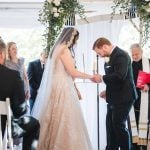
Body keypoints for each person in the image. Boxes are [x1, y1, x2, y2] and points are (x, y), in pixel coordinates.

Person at [32, 27, 94, 150]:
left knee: (51, 115)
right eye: (75, 39)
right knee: (65, 116)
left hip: (54, 85)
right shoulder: (64, 50)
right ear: (71, 37)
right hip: (62, 85)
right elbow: (72, 72)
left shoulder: (55, 49)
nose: (75, 42)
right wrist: (91, 76)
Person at [92, 37, 137, 150]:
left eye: (99, 52)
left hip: (124, 97)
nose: (100, 55)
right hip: (114, 97)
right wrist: (107, 92)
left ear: (105, 47)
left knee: (118, 126)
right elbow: (113, 78)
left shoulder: (121, 55)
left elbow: (119, 76)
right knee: (110, 127)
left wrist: (101, 78)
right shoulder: (110, 57)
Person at [0, 38, 40, 150]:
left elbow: (26, 77)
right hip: (4, 127)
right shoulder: (12, 76)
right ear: (2, 55)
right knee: (34, 124)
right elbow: (20, 111)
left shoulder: (20, 63)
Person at [129, 43, 150, 150]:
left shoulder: (148, 63)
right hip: (133, 102)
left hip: (147, 101)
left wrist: (148, 85)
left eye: (136, 54)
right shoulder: (129, 65)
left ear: (141, 52)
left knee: (145, 128)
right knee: (134, 129)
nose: (134, 56)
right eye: (132, 55)